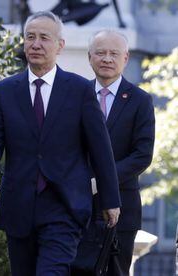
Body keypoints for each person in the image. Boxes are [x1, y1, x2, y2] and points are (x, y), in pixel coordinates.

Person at [0, 11, 121, 275]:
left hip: (64, 206)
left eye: (44, 37)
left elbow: (101, 149)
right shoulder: (5, 91)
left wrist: (110, 199)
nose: (36, 44)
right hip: (19, 206)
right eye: (30, 37)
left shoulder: (79, 90)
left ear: (60, 45)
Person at [88, 29, 155, 276]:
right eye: (101, 53)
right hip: (78, 205)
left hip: (122, 207)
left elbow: (142, 155)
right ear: (89, 57)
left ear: (125, 58)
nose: (107, 59)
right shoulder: (75, 96)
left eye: (114, 53)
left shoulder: (140, 100)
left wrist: (102, 183)